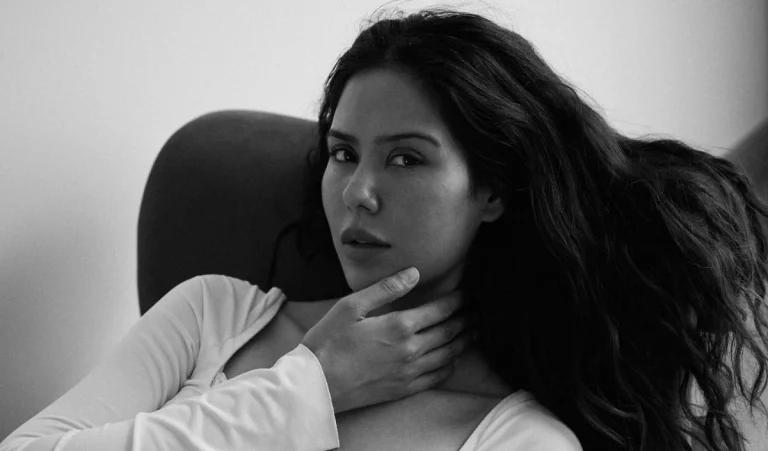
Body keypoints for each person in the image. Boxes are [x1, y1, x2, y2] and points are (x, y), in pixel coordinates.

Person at [2, 6, 767, 451]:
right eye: (343, 153)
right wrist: (307, 387)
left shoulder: (518, 437)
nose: (358, 193)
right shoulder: (214, 313)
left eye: (406, 158)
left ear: (493, 191)